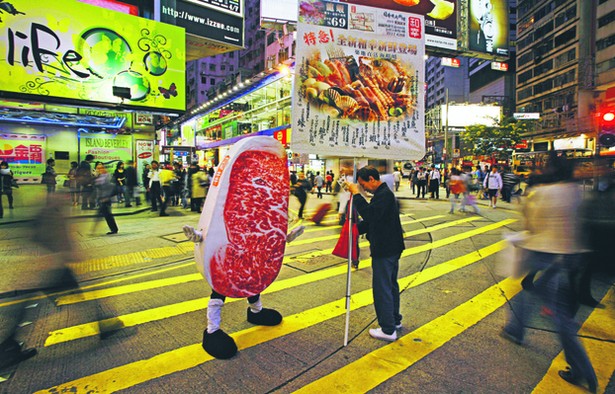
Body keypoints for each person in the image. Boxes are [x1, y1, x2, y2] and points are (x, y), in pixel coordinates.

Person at [501, 153, 597, 393]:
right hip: (571, 255)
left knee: (558, 314)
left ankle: (583, 369)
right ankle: (515, 327)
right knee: (536, 296)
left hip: (545, 252)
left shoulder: (542, 192)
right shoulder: (575, 191)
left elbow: (530, 223)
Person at [181, 224, 305, 359]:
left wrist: (285, 239)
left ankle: (256, 312)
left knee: (253, 284)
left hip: (250, 255)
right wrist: (199, 237)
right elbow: (214, 225)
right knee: (219, 292)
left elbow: (267, 232)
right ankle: (212, 330)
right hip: (225, 258)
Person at [347, 166, 405, 342]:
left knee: (383, 289)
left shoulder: (384, 195)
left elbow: (371, 215)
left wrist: (357, 195)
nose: (363, 188)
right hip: (391, 247)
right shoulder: (382, 194)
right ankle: (394, 321)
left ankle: (387, 329)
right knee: (391, 285)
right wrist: (354, 227)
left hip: (385, 249)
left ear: (372, 179)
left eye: (364, 185)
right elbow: (377, 221)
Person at [93, 162, 119, 235]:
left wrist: (107, 197)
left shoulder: (108, 176)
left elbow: (111, 187)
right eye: (98, 168)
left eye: (101, 168)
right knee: (106, 214)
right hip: (100, 198)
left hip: (106, 198)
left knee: (107, 214)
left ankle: (113, 229)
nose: (100, 169)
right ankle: (114, 229)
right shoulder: (97, 176)